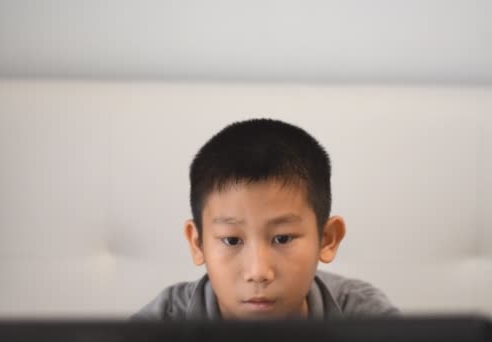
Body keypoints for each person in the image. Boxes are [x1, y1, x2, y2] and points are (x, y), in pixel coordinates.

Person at [133, 118, 399, 320]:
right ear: (197, 243)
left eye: (282, 238)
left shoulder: (365, 317)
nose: (258, 272)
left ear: (327, 240)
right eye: (231, 240)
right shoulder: (162, 324)